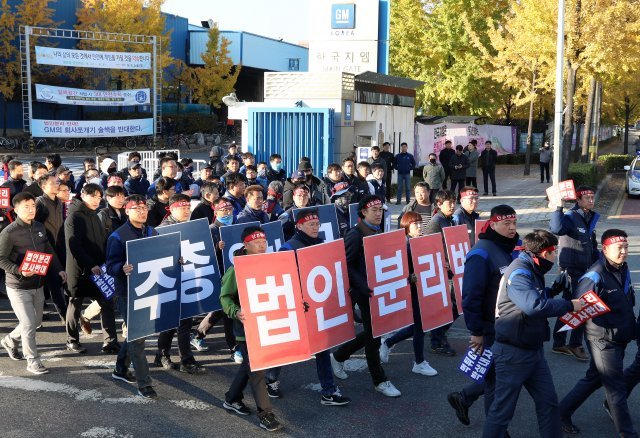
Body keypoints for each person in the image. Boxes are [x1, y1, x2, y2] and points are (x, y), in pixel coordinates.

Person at [482, 230, 581, 438]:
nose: (555, 258)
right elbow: (532, 305)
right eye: (554, 253)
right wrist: (568, 305)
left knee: (549, 404)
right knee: (502, 413)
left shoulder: (532, 268)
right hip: (512, 352)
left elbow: (533, 297)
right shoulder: (519, 271)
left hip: (533, 350)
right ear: (544, 253)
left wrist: (552, 291)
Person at [263, 209, 351, 405]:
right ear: (299, 225)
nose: (315, 227)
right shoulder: (287, 248)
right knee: (288, 346)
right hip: (297, 306)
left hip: (317, 306)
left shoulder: (321, 245)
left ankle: (328, 391)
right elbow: (282, 279)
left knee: (322, 347)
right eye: (311, 224)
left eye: (317, 224)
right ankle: (271, 378)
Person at [559, 230, 638, 437]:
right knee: (616, 389)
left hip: (620, 337)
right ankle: (627, 433)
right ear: (605, 249)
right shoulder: (594, 274)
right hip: (603, 340)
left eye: (626, 247)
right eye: (619, 248)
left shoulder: (622, 268)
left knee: (594, 379)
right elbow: (578, 305)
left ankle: (561, 413)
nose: (623, 252)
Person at [447, 205, 519, 426]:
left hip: (511, 325)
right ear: (493, 224)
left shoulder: (514, 246)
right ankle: (495, 430)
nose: (512, 228)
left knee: (501, 375)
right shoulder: (480, 253)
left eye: (514, 223)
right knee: (496, 382)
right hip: (490, 327)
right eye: (506, 223)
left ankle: (464, 397)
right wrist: (476, 331)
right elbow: (470, 297)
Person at [330, 195, 401, 397]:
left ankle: (339, 355)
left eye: (381, 210)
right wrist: (363, 285)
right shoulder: (355, 234)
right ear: (363, 212)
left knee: (374, 332)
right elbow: (346, 263)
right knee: (374, 336)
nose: (379, 214)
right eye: (374, 210)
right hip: (365, 292)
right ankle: (379, 380)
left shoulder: (377, 230)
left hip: (379, 289)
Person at [220, 225, 284, 432]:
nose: (262, 245)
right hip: (246, 329)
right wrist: (235, 311)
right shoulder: (236, 268)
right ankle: (266, 414)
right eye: (257, 242)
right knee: (257, 370)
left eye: (264, 242)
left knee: (249, 367)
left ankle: (231, 398)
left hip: (267, 324)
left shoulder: (270, 263)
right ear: (246, 245)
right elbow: (225, 296)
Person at [0, 192, 66, 375]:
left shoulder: (38, 226)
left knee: (35, 322)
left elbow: (48, 249)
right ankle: (33, 361)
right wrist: (19, 270)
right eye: (26, 207)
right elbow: (1, 259)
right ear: (16, 210)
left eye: (33, 206)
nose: (31, 210)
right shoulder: (9, 232)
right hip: (18, 286)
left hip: (38, 284)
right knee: (29, 324)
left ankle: (10, 340)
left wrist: (58, 268)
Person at [107, 195, 158, 399]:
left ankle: (120, 369)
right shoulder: (118, 236)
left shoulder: (152, 231)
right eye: (136, 208)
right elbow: (110, 266)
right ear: (127, 211)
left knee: (138, 334)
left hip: (150, 289)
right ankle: (144, 383)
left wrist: (176, 258)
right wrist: (122, 267)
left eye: (144, 207)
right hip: (128, 292)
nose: (142, 211)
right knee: (138, 337)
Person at [378, 211, 438, 377]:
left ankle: (388, 342)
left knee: (420, 326)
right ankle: (419, 362)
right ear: (406, 226)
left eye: (420, 223)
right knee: (420, 326)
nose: (419, 226)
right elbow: (397, 270)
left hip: (422, 288)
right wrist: (409, 277)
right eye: (415, 223)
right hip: (411, 290)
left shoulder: (418, 240)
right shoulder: (403, 244)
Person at [154, 194, 207, 375]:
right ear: (172, 208)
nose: (187, 210)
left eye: (188, 207)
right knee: (170, 321)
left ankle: (181, 358)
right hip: (168, 281)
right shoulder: (161, 230)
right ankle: (168, 356)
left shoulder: (191, 228)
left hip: (187, 279)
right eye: (183, 207)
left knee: (184, 321)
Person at [64, 183, 118, 354]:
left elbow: (102, 241)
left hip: (99, 269)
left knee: (107, 302)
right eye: (93, 196)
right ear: (83, 194)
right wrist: (90, 264)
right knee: (75, 304)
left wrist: (104, 262)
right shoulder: (73, 217)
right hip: (79, 270)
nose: (96, 200)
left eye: (99, 196)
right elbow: (75, 246)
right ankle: (72, 340)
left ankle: (110, 342)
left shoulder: (95, 215)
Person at [548, 185, 599, 361]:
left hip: (586, 270)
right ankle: (573, 344)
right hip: (572, 270)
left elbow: (592, 245)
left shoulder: (589, 217)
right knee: (580, 306)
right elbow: (556, 229)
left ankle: (560, 343)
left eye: (592, 197)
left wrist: (601, 263)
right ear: (578, 200)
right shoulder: (570, 216)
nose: (591, 200)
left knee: (570, 306)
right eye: (587, 197)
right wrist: (558, 207)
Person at [190, 198, 240, 362]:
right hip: (219, 277)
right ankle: (234, 348)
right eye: (224, 210)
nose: (228, 213)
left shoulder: (235, 227)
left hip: (235, 274)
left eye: (230, 210)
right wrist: (216, 249)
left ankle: (198, 334)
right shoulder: (211, 230)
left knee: (221, 310)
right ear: (215, 212)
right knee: (228, 312)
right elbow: (203, 256)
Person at [424, 190, 459, 356]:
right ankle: (437, 340)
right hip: (440, 271)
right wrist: (441, 260)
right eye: (448, 203)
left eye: (454, 202)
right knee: (447, 306)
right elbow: (427, 247)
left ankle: (439, 333)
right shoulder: (436, 222)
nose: (452, 205)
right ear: (439, 204)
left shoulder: (450, 219)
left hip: (452, 269)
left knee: (455, 305)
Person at [34, 174, 68, 320]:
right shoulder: (40, 203)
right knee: (54, 283)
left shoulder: (59, 202)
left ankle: (67, 313)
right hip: (46, 249)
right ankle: (65, 316)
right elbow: (36, 228)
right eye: (53, 183)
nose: (57, 184)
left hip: (60, 247)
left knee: (63, 280)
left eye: (57, 182)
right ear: (43, 187)